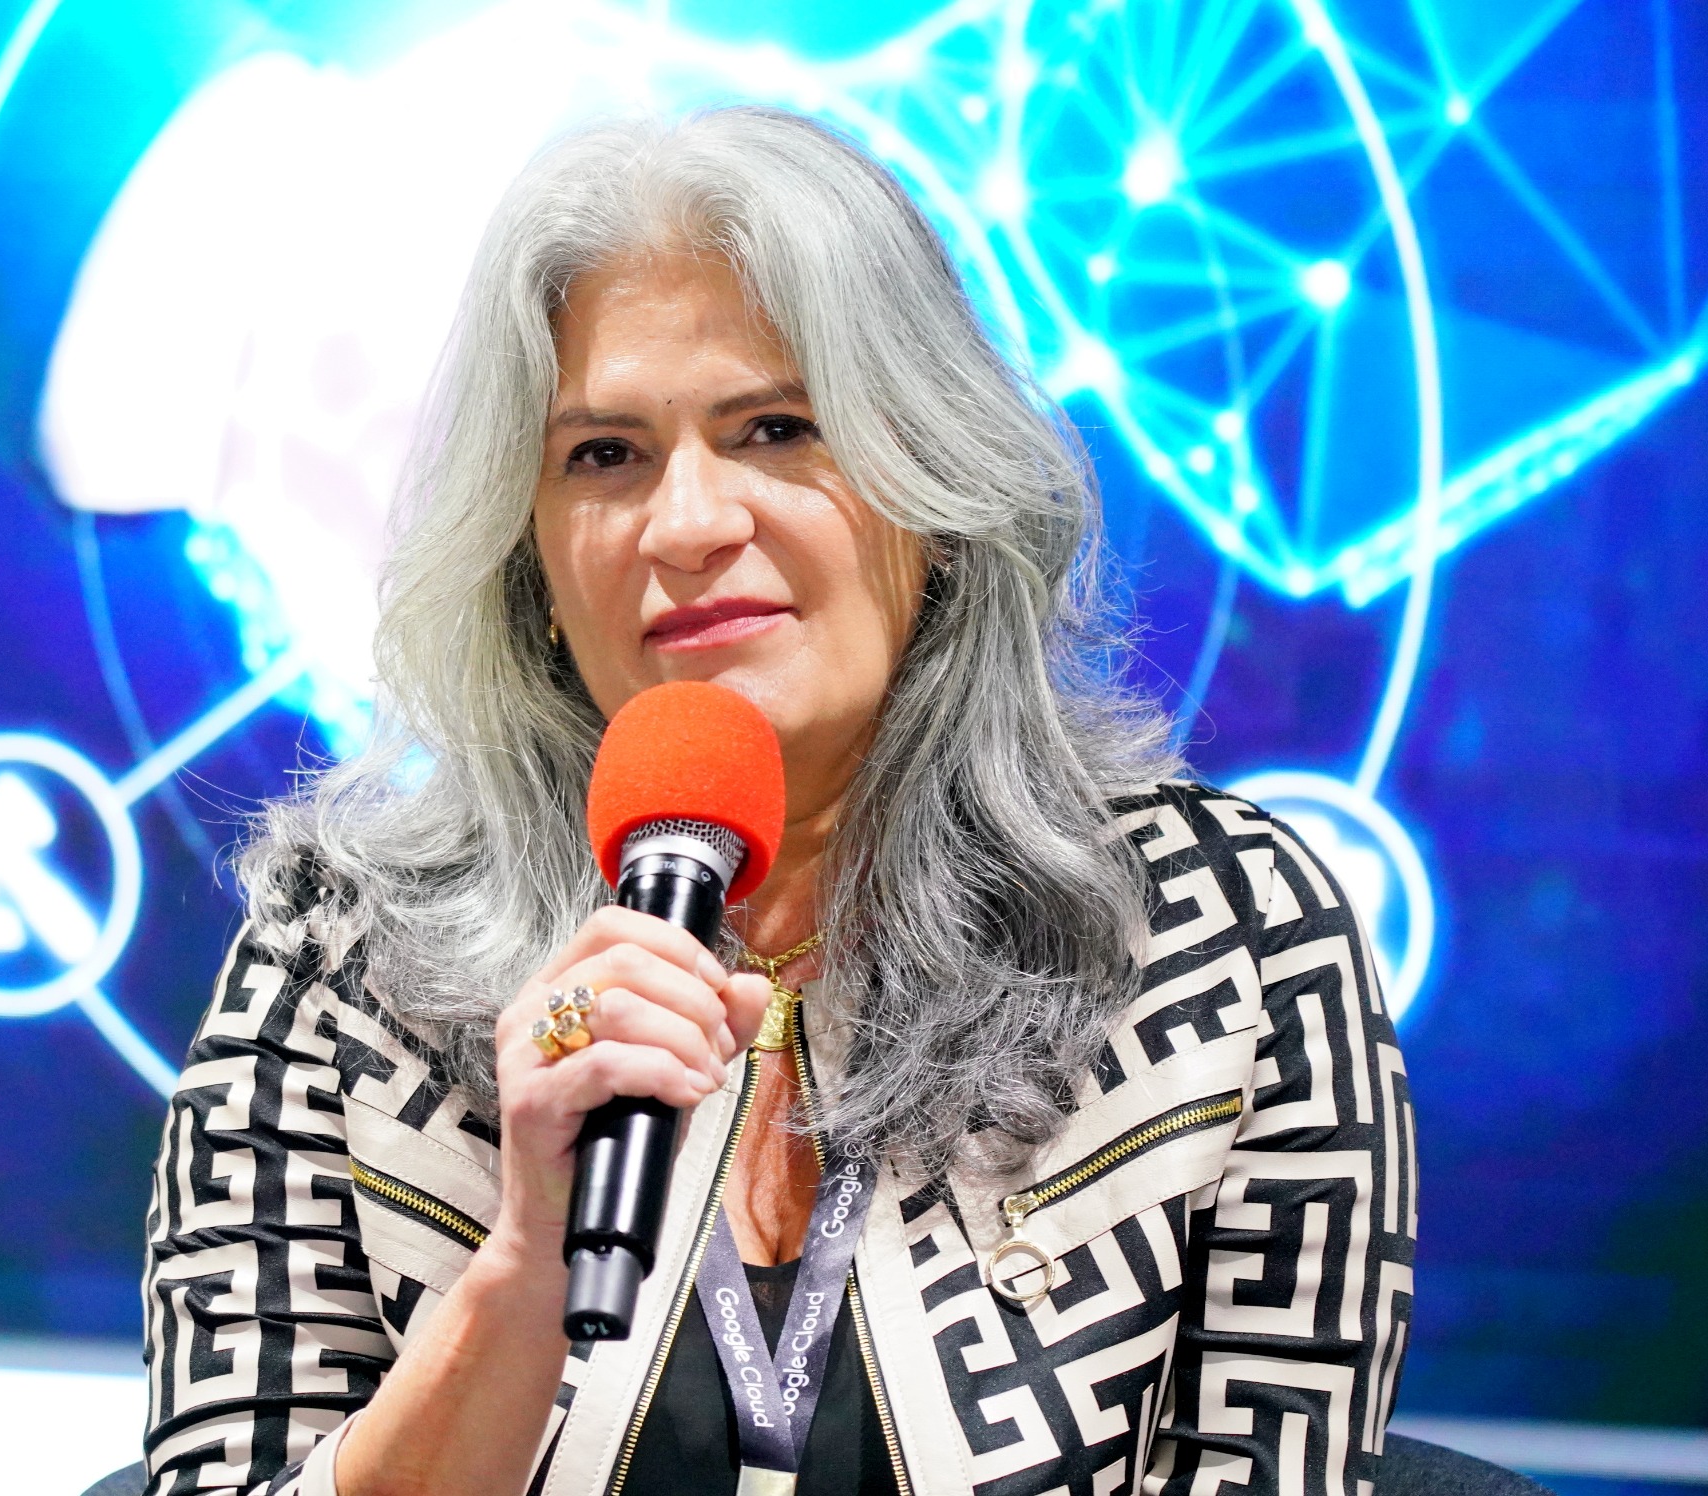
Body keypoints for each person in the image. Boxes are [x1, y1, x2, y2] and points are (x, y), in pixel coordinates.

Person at [140, 107, 1413, 1496]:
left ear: (936, 489)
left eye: (776, 428)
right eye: (604, 455)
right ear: (530, 557)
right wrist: (523, 1269)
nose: (690, 524)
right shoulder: (340, 960)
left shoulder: (1226, 934)